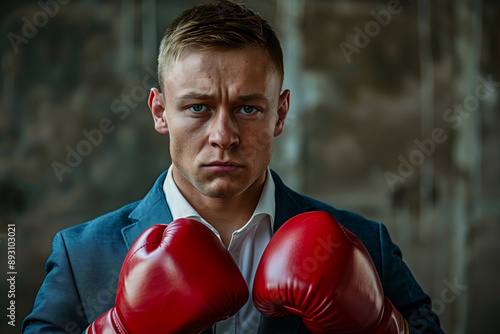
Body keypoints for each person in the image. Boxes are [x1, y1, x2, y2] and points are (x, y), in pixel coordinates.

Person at [23, 1, 445, 333]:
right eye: (198, 107)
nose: (223, 135)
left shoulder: (364, 246)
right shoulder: (82, 256)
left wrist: (383, 328)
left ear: (280, 115)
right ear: (159, 112)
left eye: (247, 107)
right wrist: (118, 331)